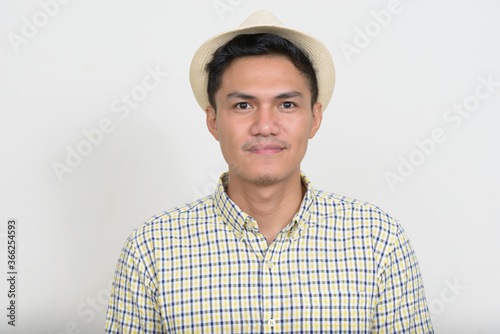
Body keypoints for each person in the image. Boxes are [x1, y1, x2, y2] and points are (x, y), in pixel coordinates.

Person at [105, 10, 434, 333]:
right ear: (213, 120)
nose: (265, 126)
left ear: (314, 118)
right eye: (243, 105)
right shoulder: (151, 250)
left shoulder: (378, 242)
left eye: (286, 104)